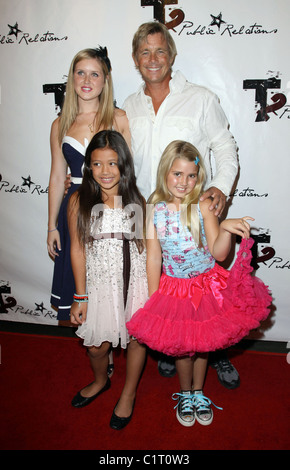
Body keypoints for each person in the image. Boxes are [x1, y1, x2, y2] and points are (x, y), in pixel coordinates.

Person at [123, 21, 240, 385]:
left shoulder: (201, 98)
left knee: (209, 294)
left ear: (172, 55)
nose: (153, 59)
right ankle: (177, 346)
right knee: (168, 291)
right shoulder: (129, 104)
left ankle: (215, 351)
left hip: (196, 215)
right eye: (145, 52)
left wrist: (219, 188)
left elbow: (225, 148)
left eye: (160, 50)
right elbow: (121, 160)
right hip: (154, 219)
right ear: (135, 59)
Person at [126, 141, 272, 427]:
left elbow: (219, 253)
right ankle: (184, 393)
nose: (184, 182)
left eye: (191, 175)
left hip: (207, 286)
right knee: (183, 347)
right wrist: (154, 301)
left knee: (204, 344)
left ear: (199, 176)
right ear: (165, 173)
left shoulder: (204, 206)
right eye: (177, 174)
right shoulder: (154, 211)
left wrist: (227, 228)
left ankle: (198, 392)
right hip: (174, 290)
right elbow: (154, 258)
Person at [47, 47, 129, 374]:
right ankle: (101, 357)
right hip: (74, 214)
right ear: (71, 78)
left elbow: (128, 172)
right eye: (80, 72)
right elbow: (56, 176)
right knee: (83, 287)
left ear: (105, 80)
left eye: (94, 73)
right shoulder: (60, 124)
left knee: (108, 283)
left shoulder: (118, 118)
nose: (87, 80)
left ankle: (109, 343)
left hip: (110, 211)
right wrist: (51, 226)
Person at [67, 130, 148, 430]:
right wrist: (80, 296)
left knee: (138, 339)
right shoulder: (78, 201)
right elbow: (77, 250)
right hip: (99, 285)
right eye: (97, 164)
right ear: (88, 166)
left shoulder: (136, 200)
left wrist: (151, 295)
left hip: (134, 282)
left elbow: (145, 248)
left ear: (124, 165)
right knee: (96, 347)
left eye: (112, 163)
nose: (105, 172)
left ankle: (129, 392)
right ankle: (101, 380)